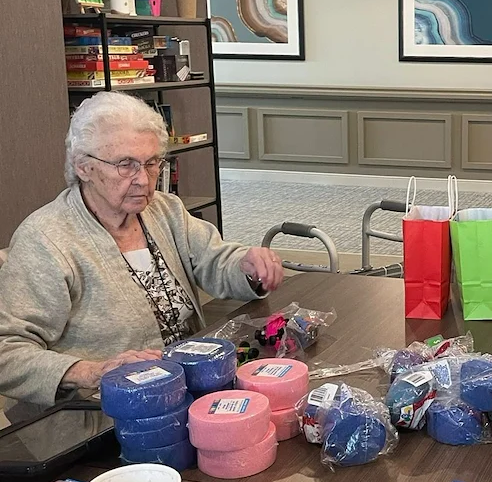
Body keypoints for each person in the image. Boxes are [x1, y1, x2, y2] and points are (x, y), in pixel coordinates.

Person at [0, 93, 284, 403]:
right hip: (103, 414)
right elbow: (7, 353)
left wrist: (246, 264)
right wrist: (93, 371)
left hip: (186, 391)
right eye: (126, 165)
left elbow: (214, 259)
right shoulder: (45, 239)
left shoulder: (164, 210)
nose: (144, 181)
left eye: (151, 164)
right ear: (83, 166)